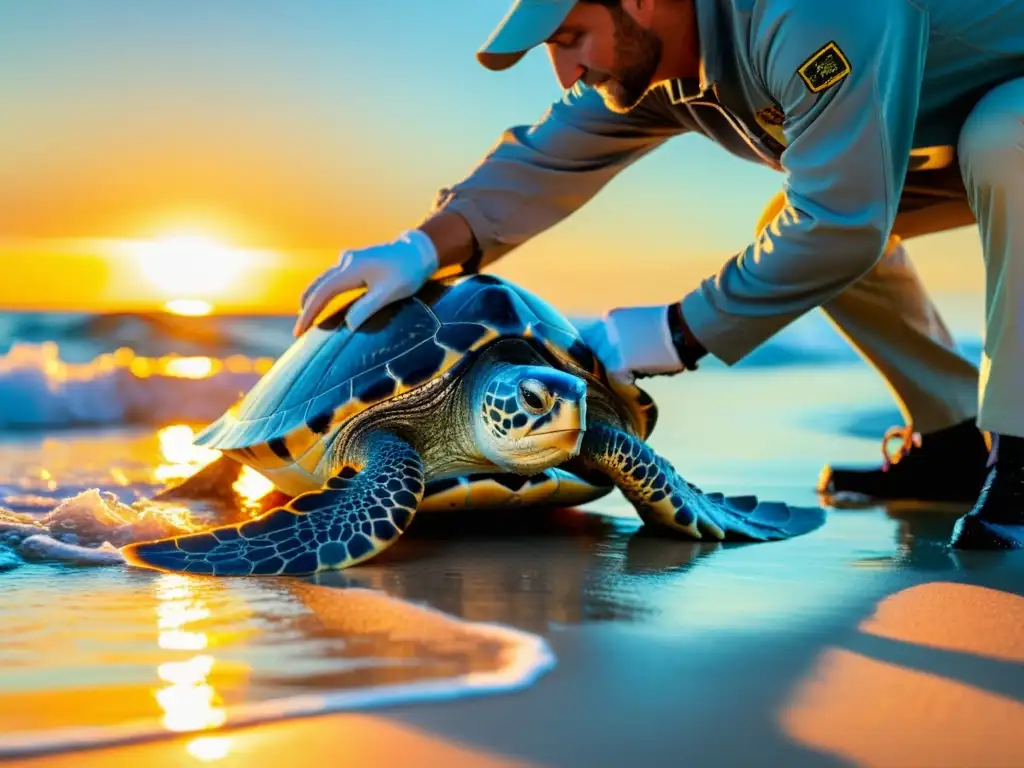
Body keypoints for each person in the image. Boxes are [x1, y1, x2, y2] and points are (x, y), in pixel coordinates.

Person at [293, 0, 1024, 549]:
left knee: (1003, 140)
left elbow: (840, 224)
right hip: (943, 138)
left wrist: (676, 333)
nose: (568, 70)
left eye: (571, 37)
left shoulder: (800, 11)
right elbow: (546, 159)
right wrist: (418, 250)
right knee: (793, 227)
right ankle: (955, 439)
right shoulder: (655, 71)